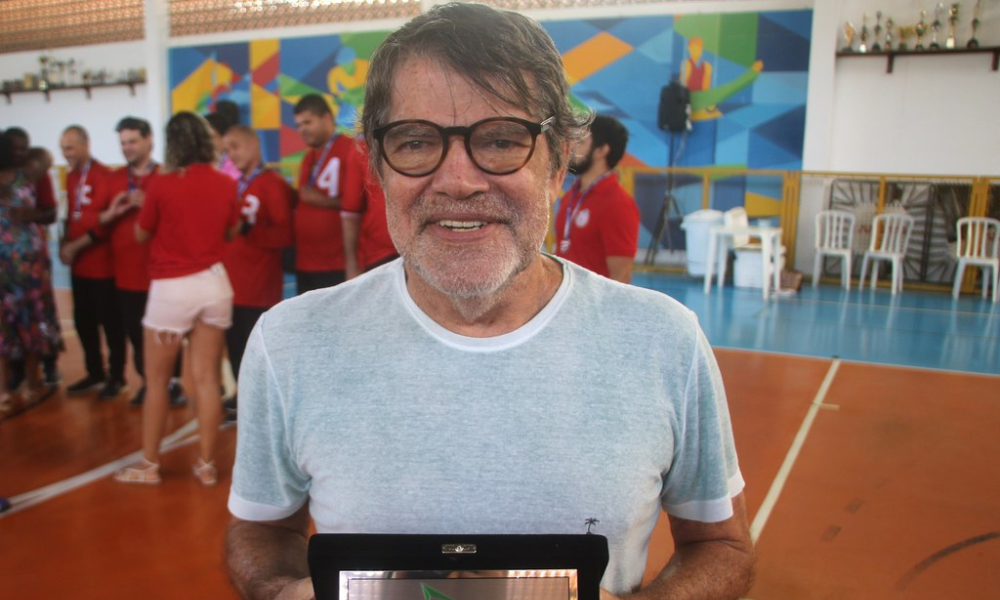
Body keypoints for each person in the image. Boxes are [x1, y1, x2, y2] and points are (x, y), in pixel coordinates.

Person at [225, 4, 754, 600]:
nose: (458, 181)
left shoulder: (664, 340)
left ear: (558, 163)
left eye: (501, 140)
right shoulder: (290, 342)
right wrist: (277, 590)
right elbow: (261, 529)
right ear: (377, 168)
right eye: (416, 141)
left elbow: (720, 545)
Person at [113, 112, 240, 486]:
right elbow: (231, 232)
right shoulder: (224, 183)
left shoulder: (161, 184)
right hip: (214, 285)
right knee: (207, 379)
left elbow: (140, 234)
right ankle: (206, 466)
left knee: (156, 382)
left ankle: (149, 465)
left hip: (171, 290)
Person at [101, 117, 187, 408]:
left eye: (132, 141)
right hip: (125, 273)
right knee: (136, 336)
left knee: (166, 334)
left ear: (149, 140)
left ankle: (172, 383)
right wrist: (113, 212)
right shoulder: (113, 179)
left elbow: (179, 222)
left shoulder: (167, 176)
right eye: (123, 142)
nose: (127, 147)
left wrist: (149, 202)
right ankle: (149, 383)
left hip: (160, 273)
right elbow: (100, 222)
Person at [220, 124, 294, 422]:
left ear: (254, 145)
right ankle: (242, 394)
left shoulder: (271, 184)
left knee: (255, 348)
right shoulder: (238, 184)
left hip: (258, 283)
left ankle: (258, 403)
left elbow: (285, 235)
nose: (232, 154)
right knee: (234, 344)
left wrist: (252, 233)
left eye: (236, 146)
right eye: (227, 149)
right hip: (232, 283)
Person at [59, 125, 127, 399]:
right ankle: (94, 372)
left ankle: (117, 375)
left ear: (86, 144)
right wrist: (66, 243)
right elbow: (72, 215)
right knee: (83, 321)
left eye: (70, 147)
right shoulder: (71, 176)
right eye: (63, 148)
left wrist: (75, 246)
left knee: (111, 324)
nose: (66, 154)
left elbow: (106, 224)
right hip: (79, 266)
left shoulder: (105, 177)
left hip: (103, 266)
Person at [0, 132, 62, 411]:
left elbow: (50, 213)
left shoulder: (33, 175)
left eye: (25, 149)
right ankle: (3, 389)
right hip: (3, 268)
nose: (21, 154)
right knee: (3, 326)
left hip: (29, 266)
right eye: (16, 150)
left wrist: (32, 216)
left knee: (31, 323)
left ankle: (34, 381)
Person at [291, 93, 366, 294]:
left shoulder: (351, 148)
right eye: (298, 125)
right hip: (306, 263)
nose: (302, 130)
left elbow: (362, 204)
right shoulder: (308, 157)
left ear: (326, 118)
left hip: (337, 263)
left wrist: (323, 201)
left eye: (307, 122)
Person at [554, 114, 641, 284]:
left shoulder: (618, 204)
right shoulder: (572, 195)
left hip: (592, 307)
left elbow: (621, 276)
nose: (572, 148)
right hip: (566, 299)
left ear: (601, 150)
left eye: (581, 142)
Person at [341, 139, 398, 280]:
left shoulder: (437, 139)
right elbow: (351, 212)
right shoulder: (363, 148)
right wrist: (352, 265)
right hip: (381, 256)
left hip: (429, 252)